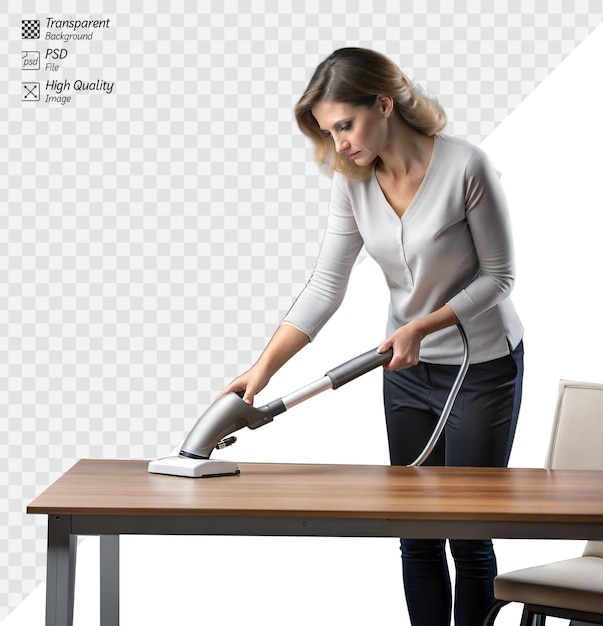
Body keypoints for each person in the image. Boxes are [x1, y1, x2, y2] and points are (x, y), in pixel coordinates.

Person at [219, 47, 524, 626]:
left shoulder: (467, 167)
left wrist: (424, 325)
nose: (339, 144)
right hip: (406, 374)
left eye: (344, 125)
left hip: (482, 368)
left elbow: (499, 277)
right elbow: (325, 285)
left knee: (467, 533)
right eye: (328, 132)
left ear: (383, 103)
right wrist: (262, 371)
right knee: (415, 532)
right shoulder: (353, 182)